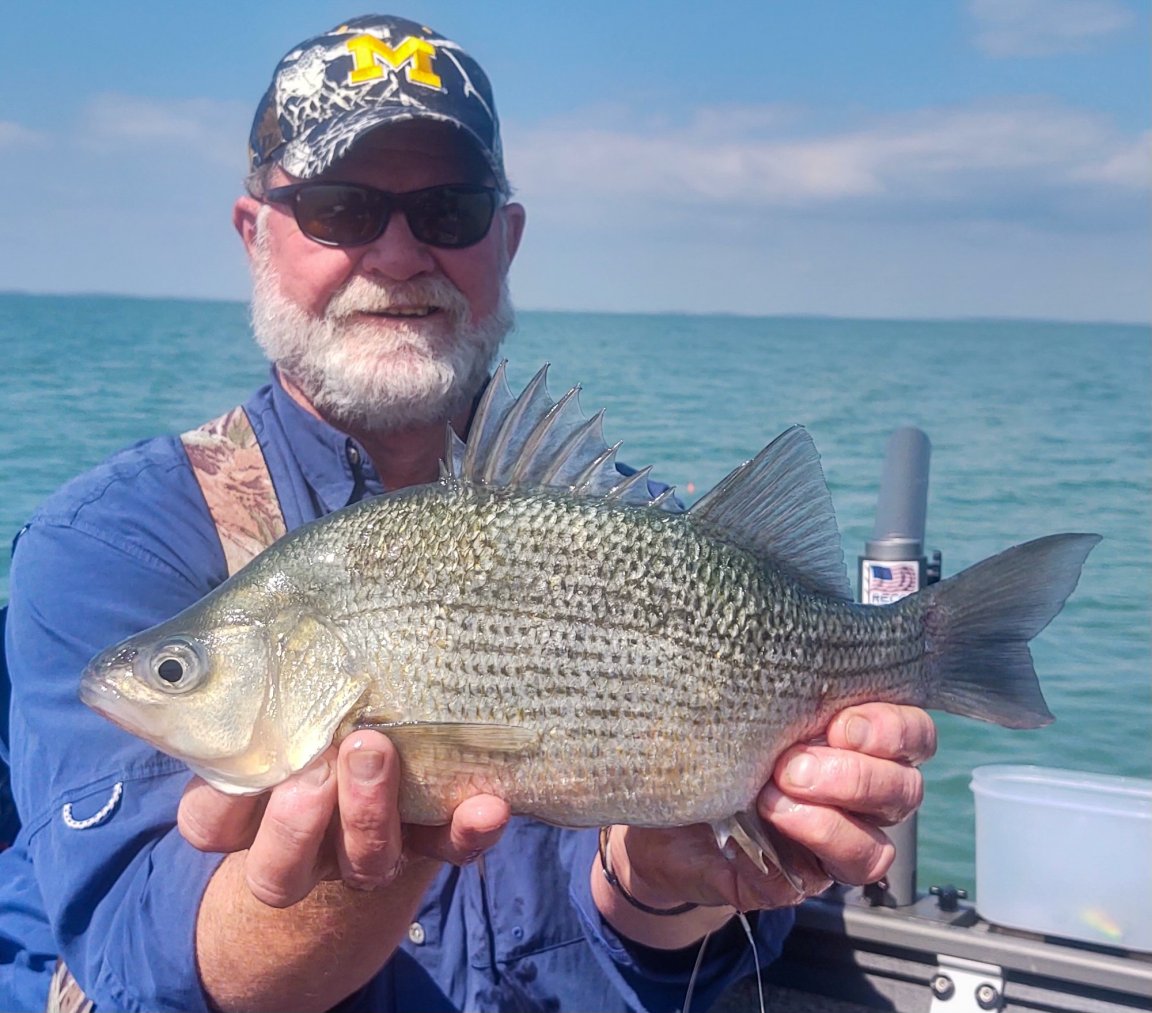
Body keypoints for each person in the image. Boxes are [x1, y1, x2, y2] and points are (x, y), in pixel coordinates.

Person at [0, 15, 936, 1013]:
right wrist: (361, 876)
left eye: (449, 208)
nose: (399, 251)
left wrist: (659, 883)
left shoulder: (646, 532)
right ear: (255, 233)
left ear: (507, 236)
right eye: (340, 206)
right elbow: (147, 969)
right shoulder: (110, 545)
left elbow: (670, 946)